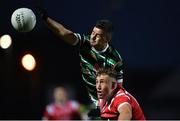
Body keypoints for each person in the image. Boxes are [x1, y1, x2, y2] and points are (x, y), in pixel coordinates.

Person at [37, 7, 123, 114]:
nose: (92, 36)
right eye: (93, 32)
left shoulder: (114, 59)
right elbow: (64, 33)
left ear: (106, 39)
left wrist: (105, 107)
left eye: (98, 35)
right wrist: (46, 19)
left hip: (106, 105)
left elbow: (119, 90)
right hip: (89, 101)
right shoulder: (85, 43)